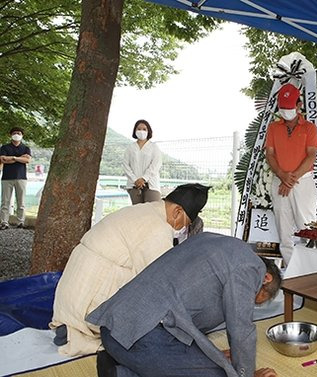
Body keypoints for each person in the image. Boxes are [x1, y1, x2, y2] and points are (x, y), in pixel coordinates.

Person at [87, 232, 281, 377]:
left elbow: (184, 316)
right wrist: (245, 374)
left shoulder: (212, 240)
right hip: (141, 340)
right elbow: (241, 330)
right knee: (222, 374)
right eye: (254, 300)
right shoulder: (250, 268)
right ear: (266, 278)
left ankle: (117, 369)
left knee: (214, 362)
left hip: (114, 331)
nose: (249, 304)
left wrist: (209, 357)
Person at [51, 183, 210, 356]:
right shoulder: (158, 228)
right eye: (184, 224)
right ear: (177, 212)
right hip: (89, 302)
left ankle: (72, 328)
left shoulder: (143, 211)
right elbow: (163, 281)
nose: (181, 229)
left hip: (70, 299)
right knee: (150, 315)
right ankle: (81, 333)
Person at [265, 83, 317, 264]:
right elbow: (270, 154)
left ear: (299, 105)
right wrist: (282, 175)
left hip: (302, 183)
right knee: (284, 229)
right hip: (279, 181)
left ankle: (311, 269)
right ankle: (290, 271)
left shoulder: (309, 128)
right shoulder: (273, 128)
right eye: (282, 108)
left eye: (289, 107)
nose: (286, 111)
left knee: (308, 227)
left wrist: (290, 179)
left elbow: (312, 155)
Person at [123, 119, 162, 205]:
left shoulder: (154, 147)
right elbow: (126, 165)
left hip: (151, 185)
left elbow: (156, 164)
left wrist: (144, 179)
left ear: (148, 131)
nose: (141, 131)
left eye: (144, 129)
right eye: (139, 129)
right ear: (135, 131)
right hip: (134, 186)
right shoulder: (130, 148)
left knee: (153, 212)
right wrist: (135, 180)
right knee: (137, 214)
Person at [0, 127, 32, 230]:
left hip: (21, 178)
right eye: (14, 133)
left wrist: (13, 158)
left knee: (21, 202)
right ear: (11, 135)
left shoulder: (26, 148)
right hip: (6, 178)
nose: (16, 134)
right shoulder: (4, 147)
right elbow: (3, 159)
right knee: (5, 202)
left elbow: (27, 160)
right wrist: (19, 158)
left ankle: (20, 222)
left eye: (19, 133)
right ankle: (4, 222)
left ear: (22, 135)